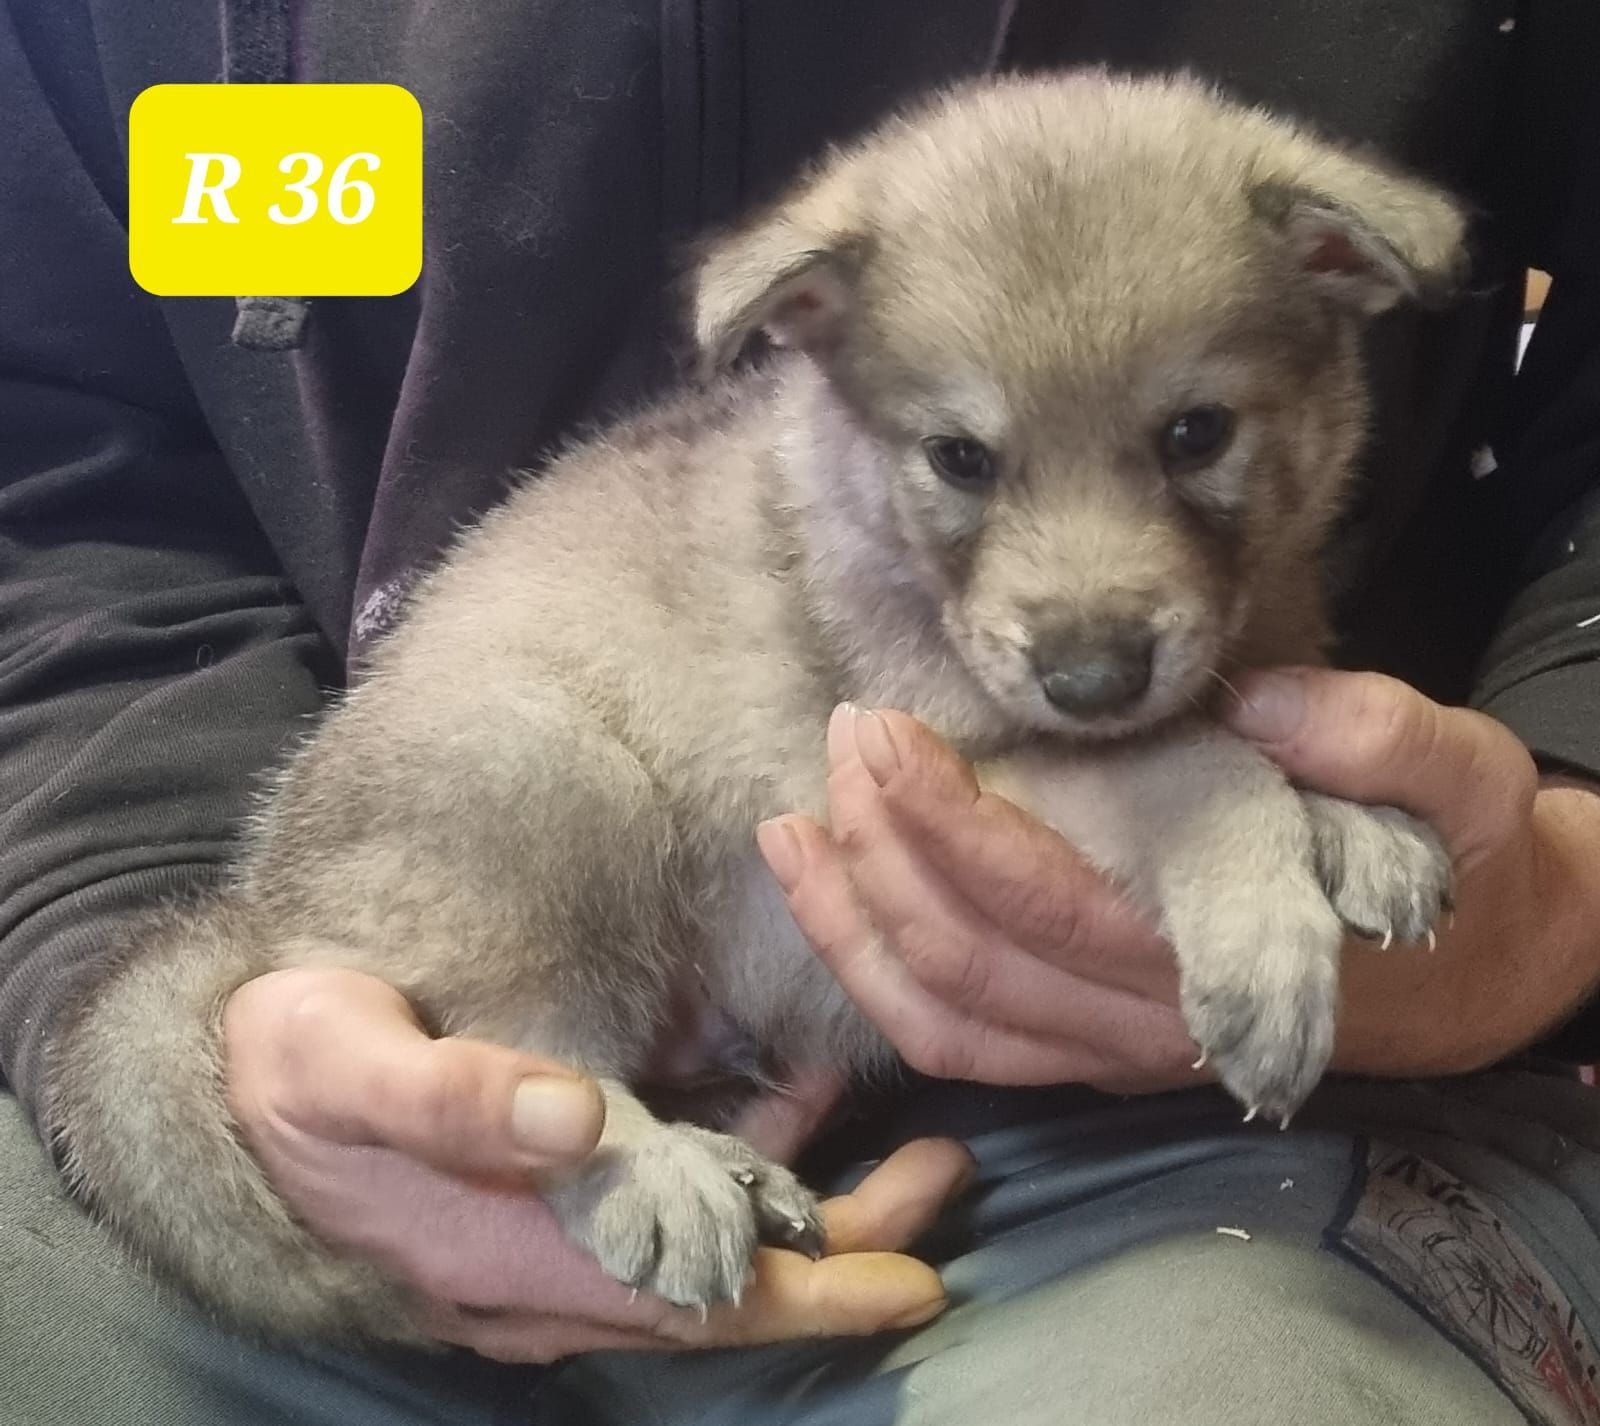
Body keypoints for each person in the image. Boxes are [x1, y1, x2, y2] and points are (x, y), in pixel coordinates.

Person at [2, 1, 1598, 1423]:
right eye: (962, 461)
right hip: (407, 1020)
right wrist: (145, 937)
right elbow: (64, 473)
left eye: (1194, 439)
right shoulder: (840, 540)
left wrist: (1560, 859)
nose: (1089, 607)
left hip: (1232, 1150)